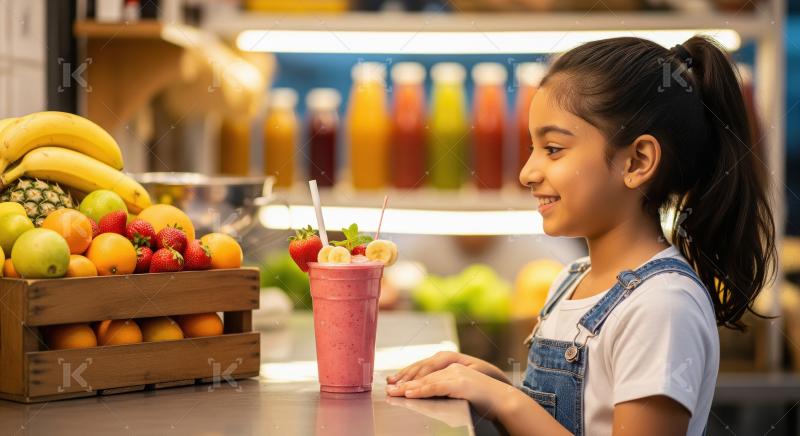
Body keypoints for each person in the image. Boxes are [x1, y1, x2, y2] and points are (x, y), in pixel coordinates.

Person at [386, 35, 777, 436]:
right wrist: (493, 384)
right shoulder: (572, 278)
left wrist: (507, 401)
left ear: (638, 161)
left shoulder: (662, 307)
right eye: (531, 147)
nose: (527, 173)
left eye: (553, 149)